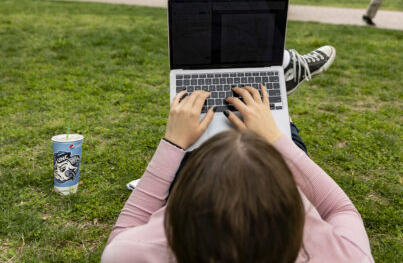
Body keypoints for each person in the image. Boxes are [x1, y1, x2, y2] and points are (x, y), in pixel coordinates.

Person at [102, 43, 373, 263]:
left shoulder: (136, 254)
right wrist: (276, 136)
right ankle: (274, 92)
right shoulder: (346, 257)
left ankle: (257, 93)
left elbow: (123, 235)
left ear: (179, 213)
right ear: (294, 215)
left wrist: (173, 143)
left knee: (221, 138)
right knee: (267, 125)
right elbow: (340, 209)